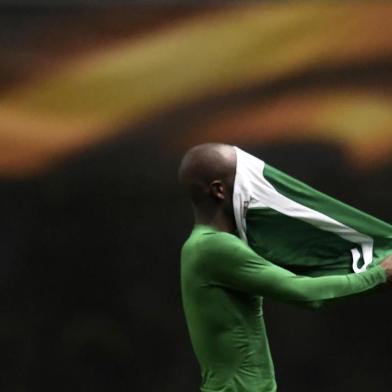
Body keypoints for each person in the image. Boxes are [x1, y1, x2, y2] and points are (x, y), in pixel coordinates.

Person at [179, 143, 392, 392]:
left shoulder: (208, 245)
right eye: (245, 177)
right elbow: (304, 293)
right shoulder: (213, 247)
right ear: (218, 190)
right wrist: (379, 274)